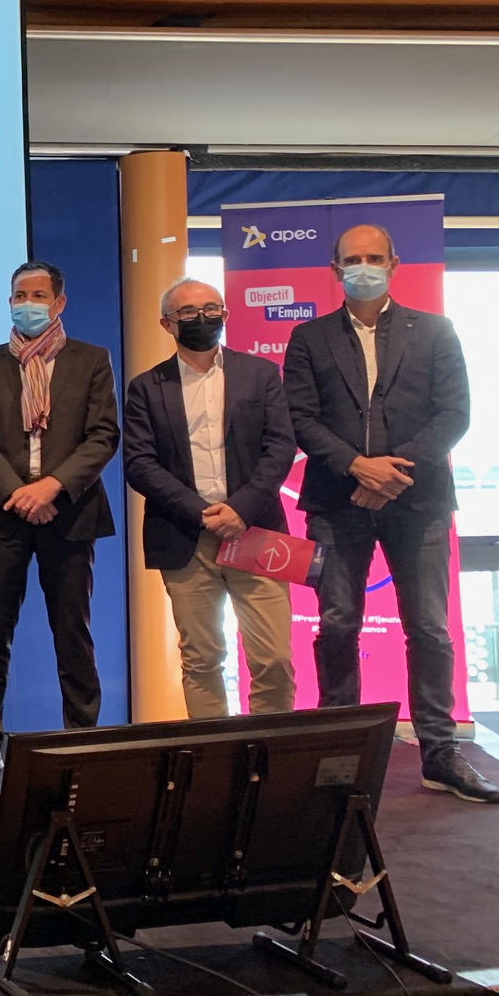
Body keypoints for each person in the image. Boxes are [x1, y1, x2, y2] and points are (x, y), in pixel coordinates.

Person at [284, 224, 497, 803]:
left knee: (428, 627)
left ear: (394, 264)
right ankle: (340, 751)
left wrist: (391, 473)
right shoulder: (308, 337)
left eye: (374, 257)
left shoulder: (435, 330)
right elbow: (300, 419)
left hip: (419, 500)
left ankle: (440, 753)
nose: (364, 267)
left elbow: (454, 413)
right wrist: (359, 466)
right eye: (352, 259)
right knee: (337, 624)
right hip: (337, 501)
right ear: (335, 270)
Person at [0, 260, 120, 782]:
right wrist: (19, 493)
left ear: (59, 302)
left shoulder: (91, 360)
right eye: (19, 295)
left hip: (68, 512)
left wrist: (52, 487)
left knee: (73, 631)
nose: (27, 304)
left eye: (38, 295)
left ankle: (82, 737)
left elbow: (103, 435)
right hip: (2, 513)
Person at [123, 279, 297, 719]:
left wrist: (240, 509)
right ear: (167, 323)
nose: (201, 318)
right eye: (188, 311)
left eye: (211, 308)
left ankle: (270, 749)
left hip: (256, 531)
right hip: (185, 537)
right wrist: (204, 514)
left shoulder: (261, 373)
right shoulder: (146, 387)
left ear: (225, 315)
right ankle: (217, 755)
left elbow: (280, 447)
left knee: (273, 658)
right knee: (201, 660)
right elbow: (139, 463)